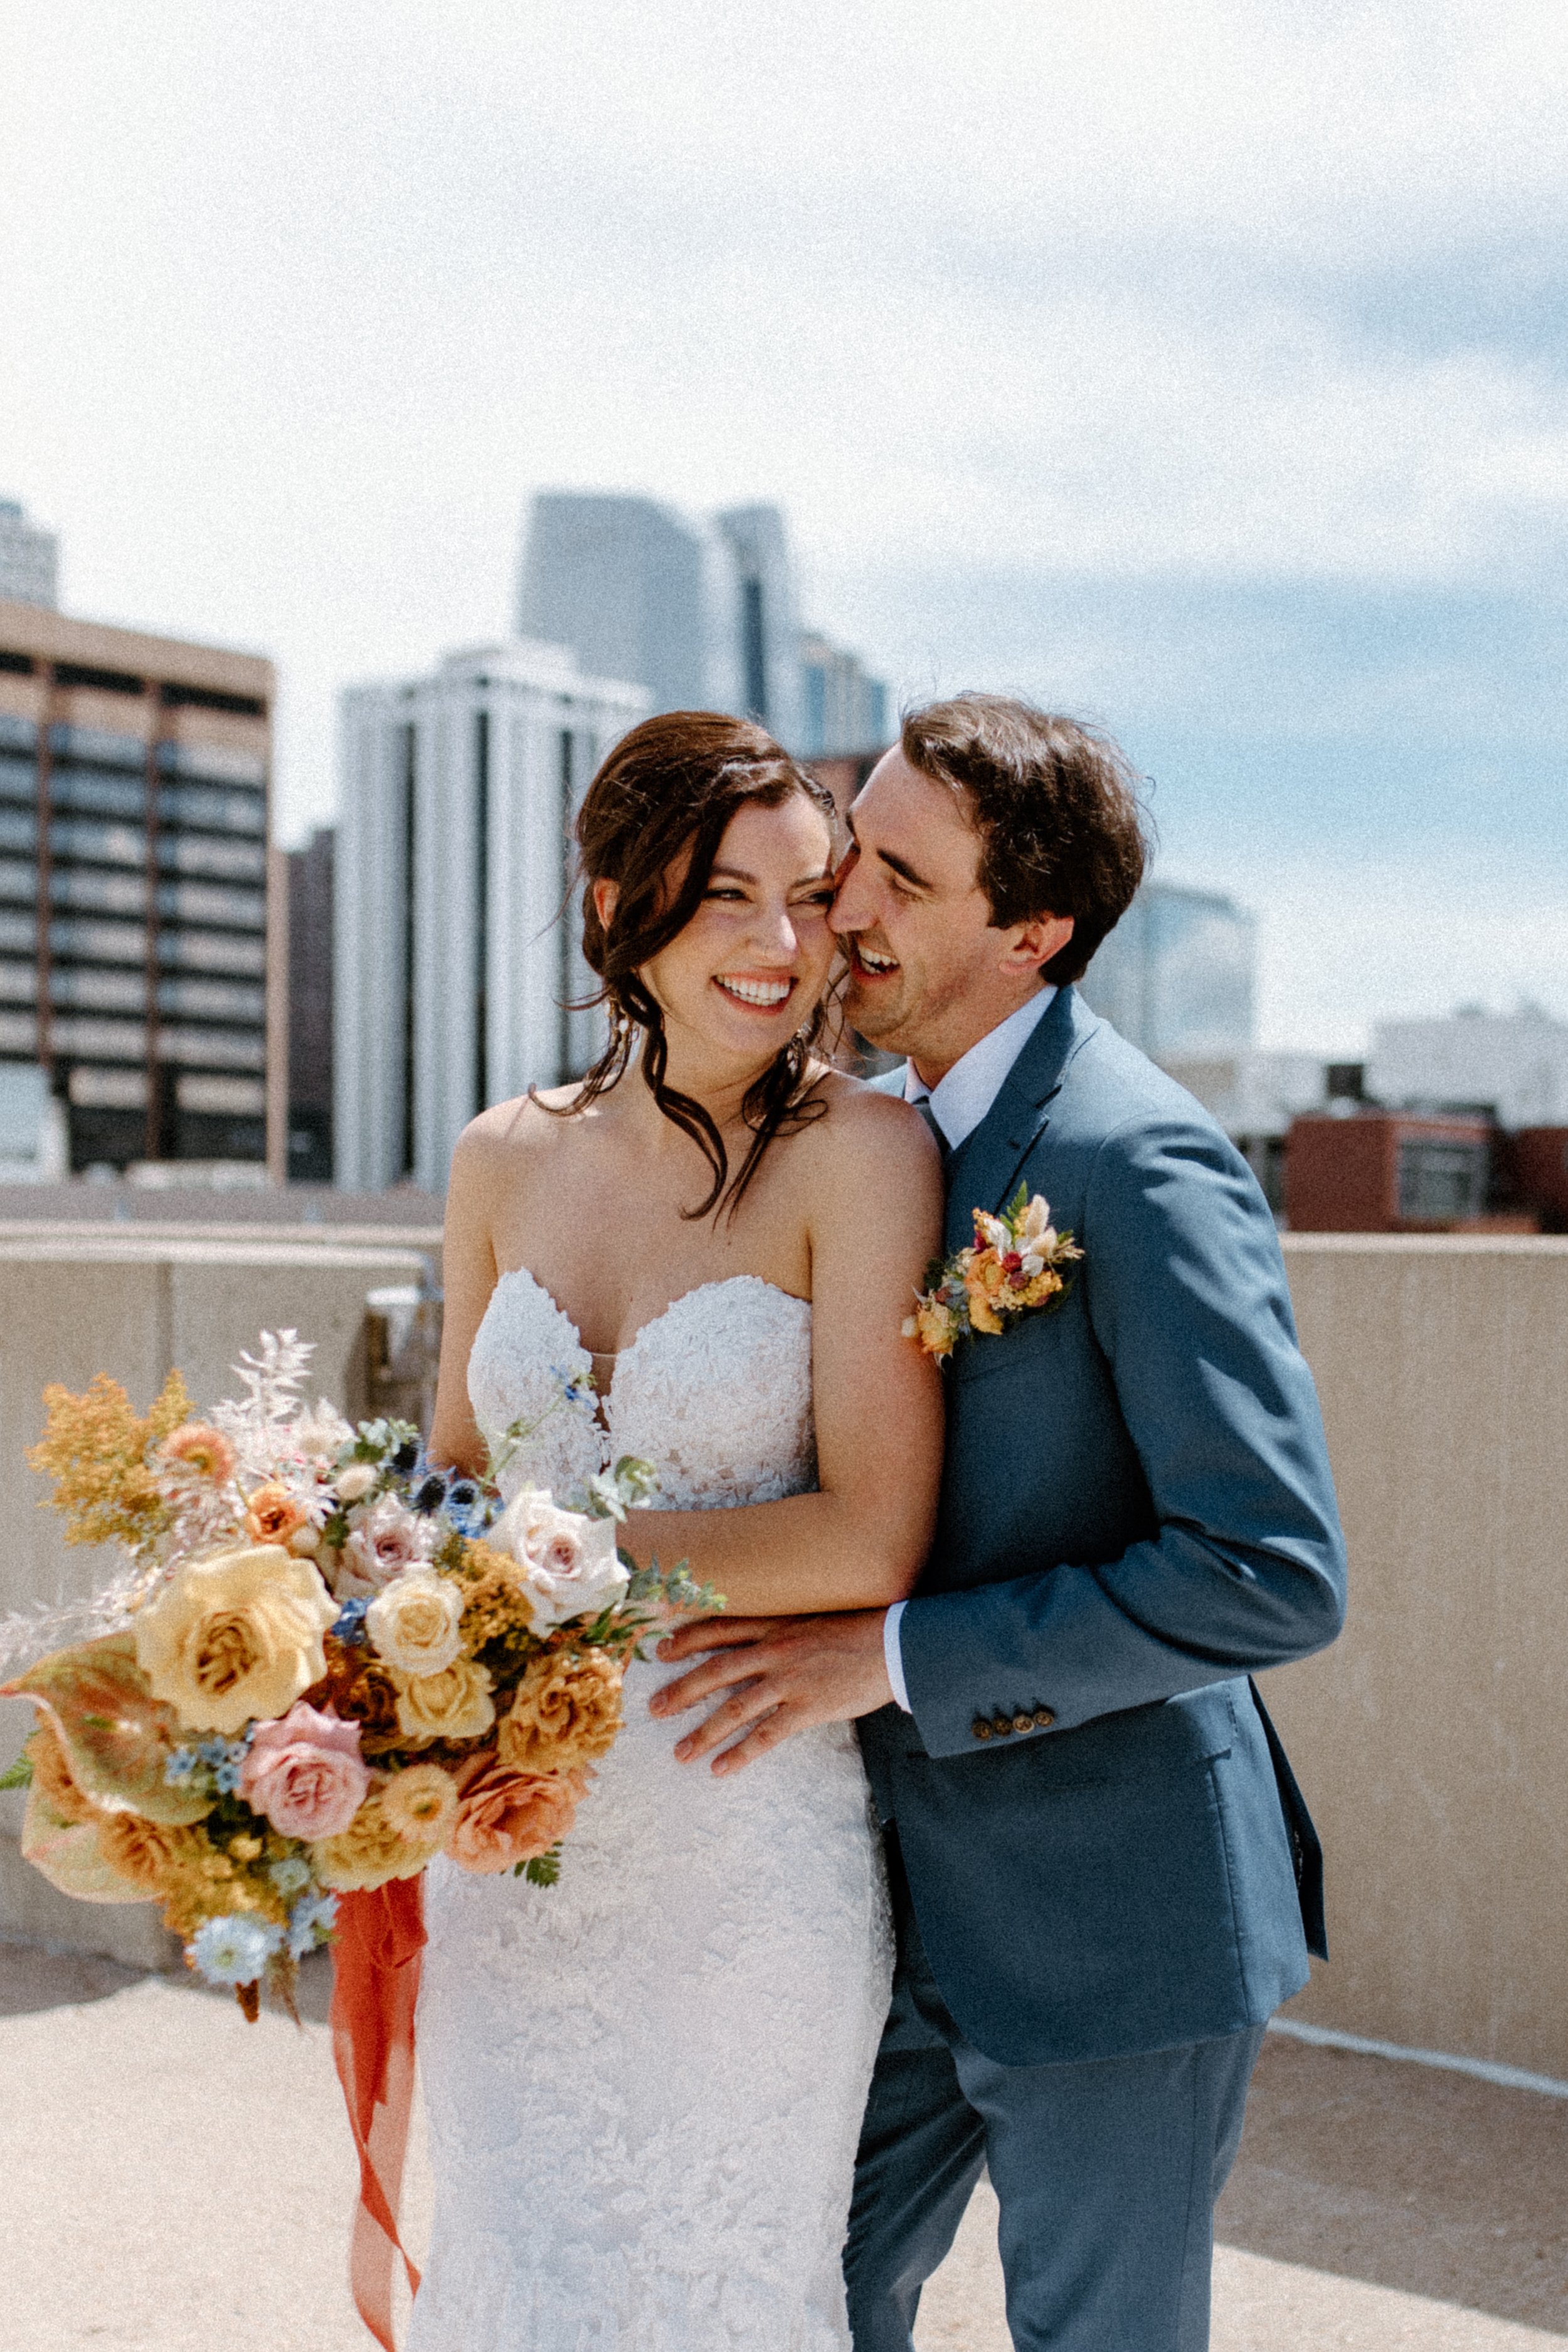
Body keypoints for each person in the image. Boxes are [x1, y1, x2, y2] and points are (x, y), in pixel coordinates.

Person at [655, 696, 1349, 2352]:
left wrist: (885, 1658)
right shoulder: (867, 1143)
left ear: (1032, 931)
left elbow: (1269, 1572)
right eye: (849, 861)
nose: (841, 911)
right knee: (785, 2302)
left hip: (1117, 1929)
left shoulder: (1138, 1160)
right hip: (878, 1919)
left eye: (896, 875)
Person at [415, 709, 945, 2351]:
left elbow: (869, 1538)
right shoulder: (501, 1156)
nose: (783, 947)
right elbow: (443, 1468)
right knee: (512, 2272)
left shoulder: (860, 1156)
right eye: (729, 896)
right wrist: (361, 1612)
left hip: (737, 1848)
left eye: (808, 899)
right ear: (610, 904)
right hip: (510, 1850)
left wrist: (568, 1560)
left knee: (699, 2291)